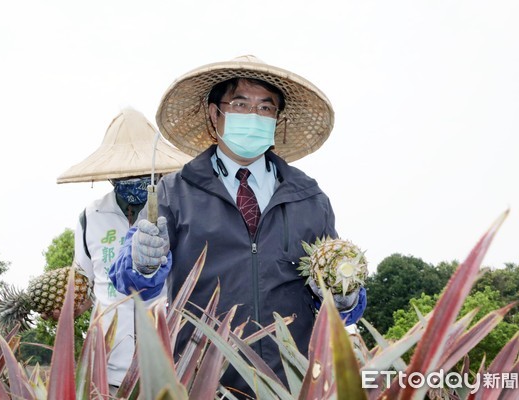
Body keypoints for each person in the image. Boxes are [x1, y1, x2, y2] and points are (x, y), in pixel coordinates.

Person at [109, 56, 367, 397]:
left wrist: (345, 298)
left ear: (277, 120)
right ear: (215, 115)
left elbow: (338, 304)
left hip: (293, 381)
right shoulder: (175, 192)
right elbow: (130, 283)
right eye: (240, 104)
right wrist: (142, 264)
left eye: (265, 108)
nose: (253, 116)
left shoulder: (309, 197)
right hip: (201, 379)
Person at [56, 107, 191, 390]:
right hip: (106, 370)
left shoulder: (175, 212)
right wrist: (61, 307)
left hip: (167, 365)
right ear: (112, 175)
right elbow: (85, 285)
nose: (135, 182)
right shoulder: (90, 216)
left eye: (143, 174)